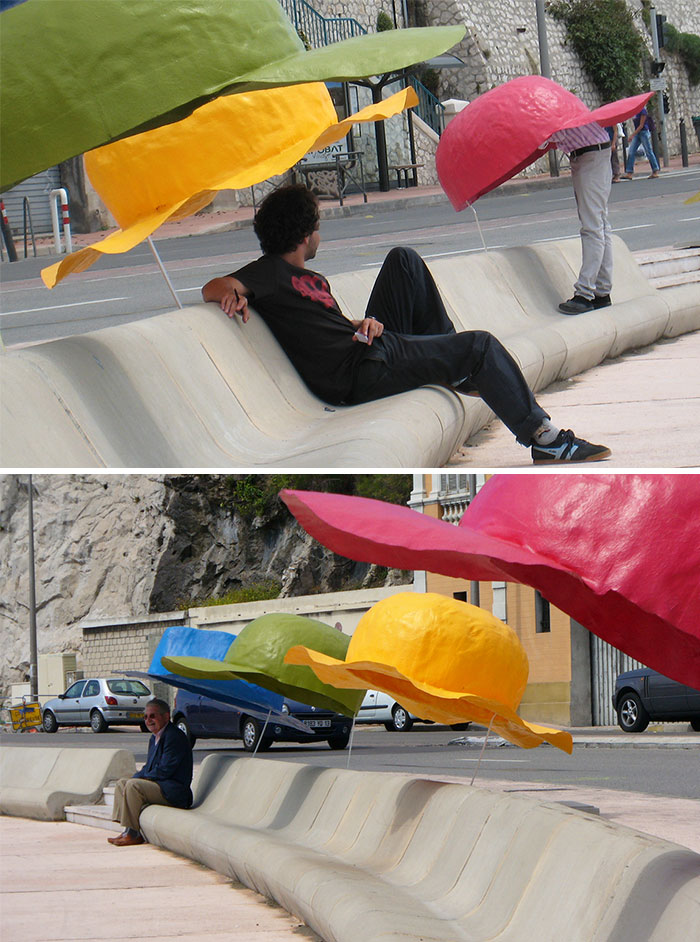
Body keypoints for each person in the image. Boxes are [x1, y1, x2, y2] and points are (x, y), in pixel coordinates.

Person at [202, 185, 611, 464]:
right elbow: (214, 286)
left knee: (403, 260)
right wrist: (231, 293)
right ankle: (546, 441)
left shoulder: (307, 278)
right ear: (305, 234)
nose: (319, 235)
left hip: (365, 347)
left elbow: (318, 326)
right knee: (481, 346)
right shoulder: (270, 272)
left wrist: (359, 323)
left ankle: (454, 363)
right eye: (318, 227)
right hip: (361, 372)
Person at [547, 122, 613, 315]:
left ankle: (585, 294)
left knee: (593, 226)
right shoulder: (560, 106)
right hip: (595, 151)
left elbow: (550, 137)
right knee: (600, 223)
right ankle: (602, 291)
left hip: (589, 155)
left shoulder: (551, 111)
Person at [108, 698, 193, 847]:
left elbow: (165, 770)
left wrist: (140, 778)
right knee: (122, 783)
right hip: (160, 785)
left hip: (174, 791)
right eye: (146, 717)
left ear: (166, 716)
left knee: (133, 786)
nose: (148, 720)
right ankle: (126, 830)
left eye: (153, 716)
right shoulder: (154, 738)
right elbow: (149, 767)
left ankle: (134, 834)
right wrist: (138, 776)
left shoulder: (174, 737)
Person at [621, 108, 660, 180]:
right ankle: (629, 172)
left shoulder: (643, 111)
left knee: (648, 151)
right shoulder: (635, 111)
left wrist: (632, 135)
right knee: (631, 152)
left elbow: (641, 125)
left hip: (643, 132)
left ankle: (655, 170)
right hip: (637, 133)